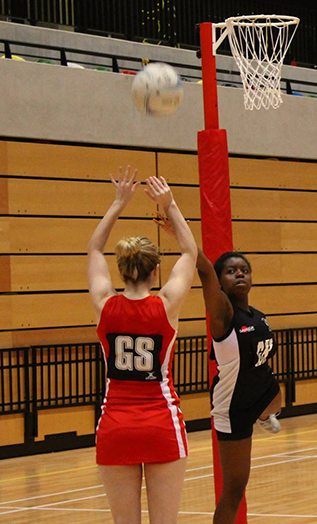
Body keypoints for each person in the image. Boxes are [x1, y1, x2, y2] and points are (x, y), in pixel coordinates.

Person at [155, 215, 283, 524]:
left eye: (244, 270)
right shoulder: (224, 314)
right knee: (235, 488)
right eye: (230, 271)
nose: (239, 274)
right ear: (221, 281)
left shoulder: (258, 315)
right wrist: (179, 231)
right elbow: (203, 269)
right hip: (234, 407)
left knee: (277, 397)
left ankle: (264, 416)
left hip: (262, 391)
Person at [88, 167, 197, 523]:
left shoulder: (105, 304)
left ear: (121, 270)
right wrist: (170, 205)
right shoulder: (166, 305)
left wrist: (119, 203)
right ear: (155, 271)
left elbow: (94, 249)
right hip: (160, 422)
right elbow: (190, 253)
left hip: (115, 424)